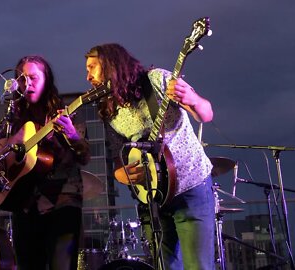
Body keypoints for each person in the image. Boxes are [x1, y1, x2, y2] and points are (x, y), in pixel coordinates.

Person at [85, 43, 215, 269]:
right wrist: (121, 175)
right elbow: (118, 158)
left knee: (199, 266)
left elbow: (206, 113)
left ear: (110, 65)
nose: (87, 76)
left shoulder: (156, 79)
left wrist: (194, 101)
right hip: (153, 198)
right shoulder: (108, 108)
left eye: (92, 67)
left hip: (191, 187)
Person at [0, 55, 90, 270]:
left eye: (34, 77)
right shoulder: (13, 119)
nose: (28, 84)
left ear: (47, 79)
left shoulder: (68, 112)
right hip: (24, 205)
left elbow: (84, 155)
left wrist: (72, 135)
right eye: (22, 79)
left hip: (62, 203)